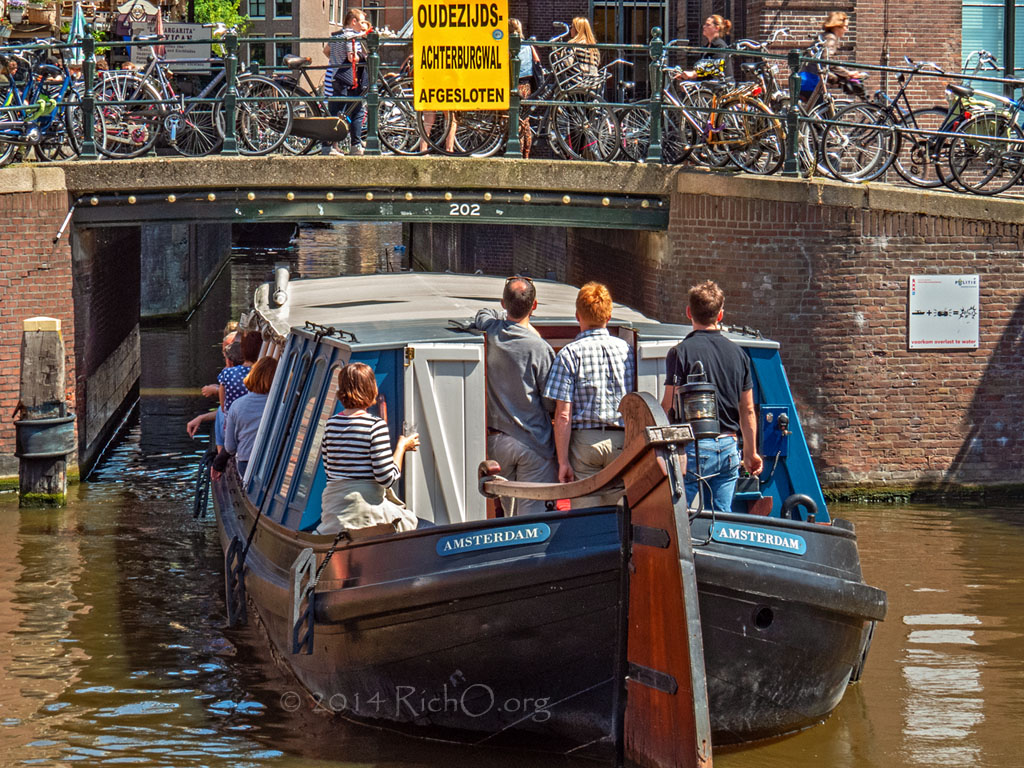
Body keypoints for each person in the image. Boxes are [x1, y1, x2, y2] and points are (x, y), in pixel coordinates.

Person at [660, 280, 763, 513]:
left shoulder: (679, 353)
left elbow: (668, 405)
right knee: (723, 518)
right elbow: (747, 410)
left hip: (694, 446)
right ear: (720, 315)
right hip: (728, 446)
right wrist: (750, 452)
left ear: (689, 312)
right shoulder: (739, 355)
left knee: (677, 518)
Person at [543, 282, 635, 508]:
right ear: (609, 316)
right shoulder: (627, 351)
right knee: (619, 517)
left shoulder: (569, 354)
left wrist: (563, 462)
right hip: (622, 442)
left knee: (586, 517)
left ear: (577, 316)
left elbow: (563, 415)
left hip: (584, 443)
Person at [471, 276, 556, 515]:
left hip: (498, 443)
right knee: (534, 519)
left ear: (503, 303)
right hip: (535, 444)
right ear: (535, 305)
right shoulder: (540, 348)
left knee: (506, 519)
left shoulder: (491, 331)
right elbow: (550, 403)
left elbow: (481, 315)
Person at [317, 363, 420, 534]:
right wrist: (402, 447)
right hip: (365, 512)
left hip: (335, 513)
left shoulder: (331, 424)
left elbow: (330, 471)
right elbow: (387, 479)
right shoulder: (375, 426)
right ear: (371, 388)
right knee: (420, 526)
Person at [211, 355, 278, 481]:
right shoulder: (281, 406)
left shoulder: (236, 406)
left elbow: (230, 447)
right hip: (272, 463)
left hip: (246, 463)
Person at [324, 7, 368, 155]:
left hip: (333, 76)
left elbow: (326, 51)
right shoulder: (351, 36)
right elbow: (352, 57)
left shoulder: (337, 34)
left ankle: (332, 145)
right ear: (353, 21)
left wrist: (335, 60)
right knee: (356, 110)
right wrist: (363, 57)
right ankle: (354, 145)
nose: (363, 25)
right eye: (361, 21)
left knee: (335, 110)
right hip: (347, 78)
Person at [510, 18, 541, 158]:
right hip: (526, 85)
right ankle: (526, 153)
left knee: (515, 120)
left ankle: (516, 149)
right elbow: (537, 62)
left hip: (514, 85)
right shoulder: (529, 45)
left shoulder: (508, 44)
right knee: (525, 120)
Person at [817, 12, 867, 94]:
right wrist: (848, 74)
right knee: (824, 105)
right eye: (845, 26)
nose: (846, 30)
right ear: (837, 26)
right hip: (814, 79)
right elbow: (827, 61)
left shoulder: (825, 36)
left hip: (810, 77)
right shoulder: (831, 38)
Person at [676, 15, 734, 82]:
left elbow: (715, 66)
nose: (704, 26)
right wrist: (685, 76)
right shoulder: (706, 47)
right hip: (707, 86)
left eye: (708, 25)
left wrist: (693, 74)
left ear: (716, 28)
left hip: (720, 87)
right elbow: (703, 68)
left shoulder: (720, 45)